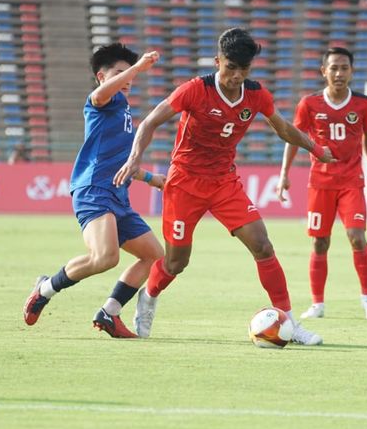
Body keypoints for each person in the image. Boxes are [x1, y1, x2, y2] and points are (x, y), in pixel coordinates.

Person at [113, 27, 335, 345]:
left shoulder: (256, 94)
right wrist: (136, 159)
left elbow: (284, 128)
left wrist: (316, 150)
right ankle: (148, 295)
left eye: (243, 70)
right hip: (185, 183)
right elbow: (149, 122)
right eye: (230, 68)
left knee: (263, 245)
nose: (236, 76)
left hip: (224, 183)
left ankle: (289, 322)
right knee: (176, 262)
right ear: (218, 61)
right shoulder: (194, 90)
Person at [23, 43, 166, 338]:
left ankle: (110, 312)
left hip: (118, 195)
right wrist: (138, 67)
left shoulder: (124, 111)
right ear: (101, 77)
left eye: (129, 74)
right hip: (93, 190)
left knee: (154, 254)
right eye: (118, 73)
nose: (127, 78)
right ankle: (45, 289)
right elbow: (99, 95)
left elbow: (123, 162)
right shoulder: (98, 101)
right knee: (105, 258)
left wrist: (151, 178)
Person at [276, 47, 367, 321]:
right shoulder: (309, 104)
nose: (339, 73)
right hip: (320, 184)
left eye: (344, 67)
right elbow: (294, 137)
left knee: (357, 238)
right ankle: (317, 304)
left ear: (351, 71)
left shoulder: (364, 104)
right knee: (320, 243)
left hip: (351, 182)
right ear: (324, 71)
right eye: (333, 67)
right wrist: (284, 173)